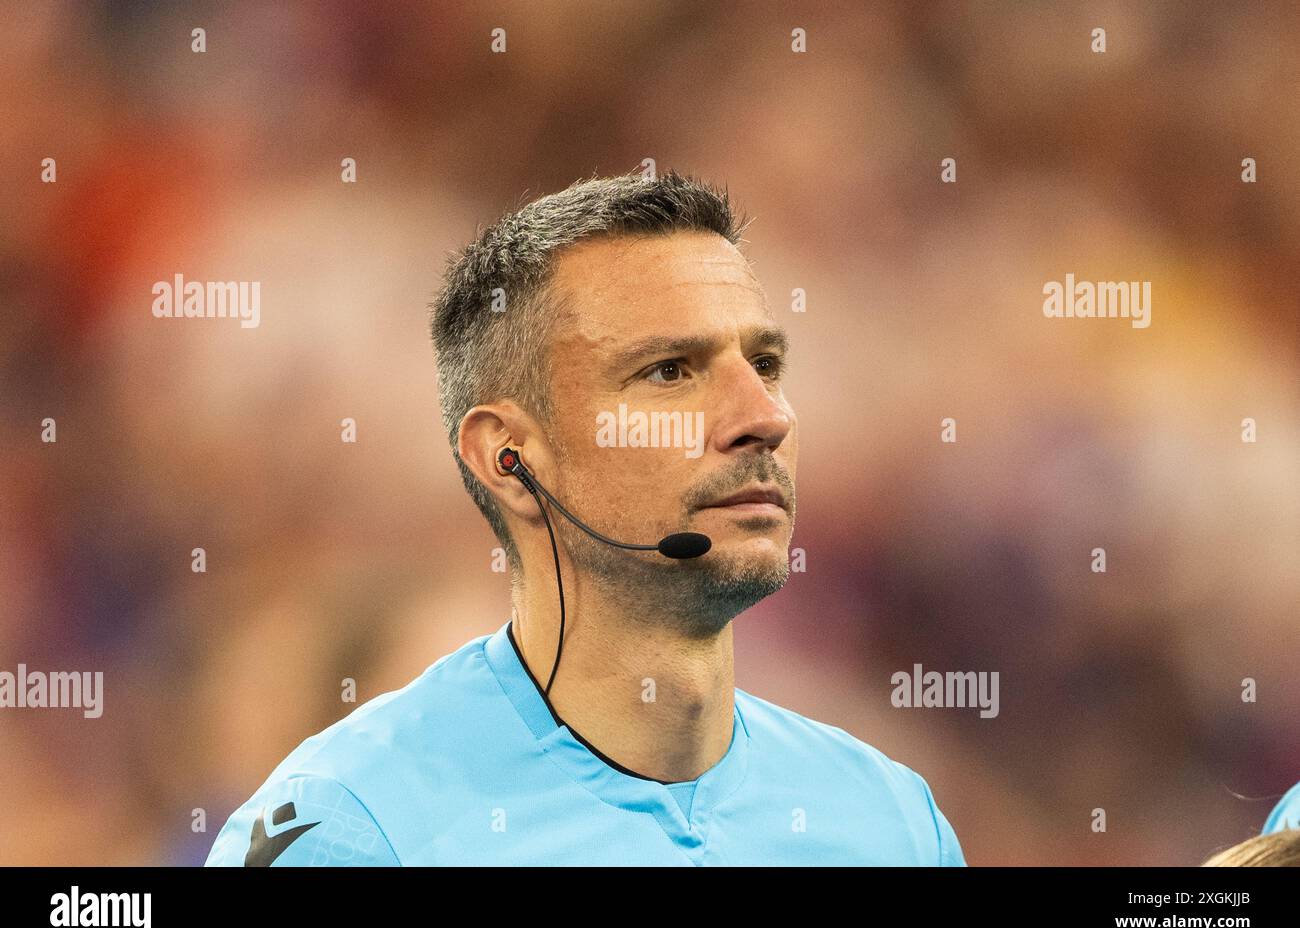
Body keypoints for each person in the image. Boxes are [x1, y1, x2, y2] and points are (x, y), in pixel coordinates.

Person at [204, 171, 966, 865]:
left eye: (765, 365)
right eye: (669, 371)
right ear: (509, 458)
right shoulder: (349, 827)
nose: (763, 417)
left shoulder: (892, 822)